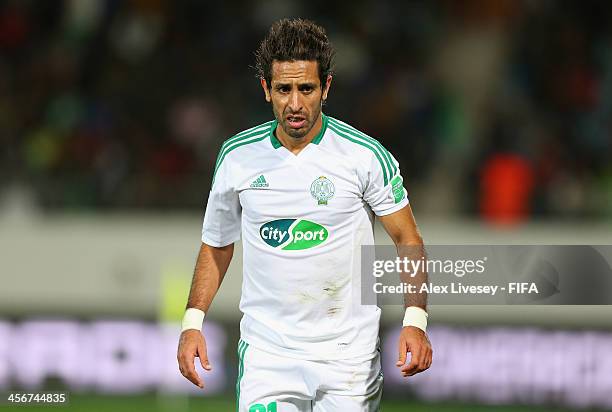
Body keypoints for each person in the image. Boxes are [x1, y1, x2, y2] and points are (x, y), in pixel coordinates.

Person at [177, 18, 432, 411]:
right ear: (266, 89)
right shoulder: (237, 158)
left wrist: (415, 319)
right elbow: (217, 244)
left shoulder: (363, 156)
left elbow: (407, 238)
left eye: (306, 88)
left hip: (349, 356)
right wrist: (193, 323)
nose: (295, 104)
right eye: (283, 89)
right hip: (268, 355)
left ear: (326, 87)